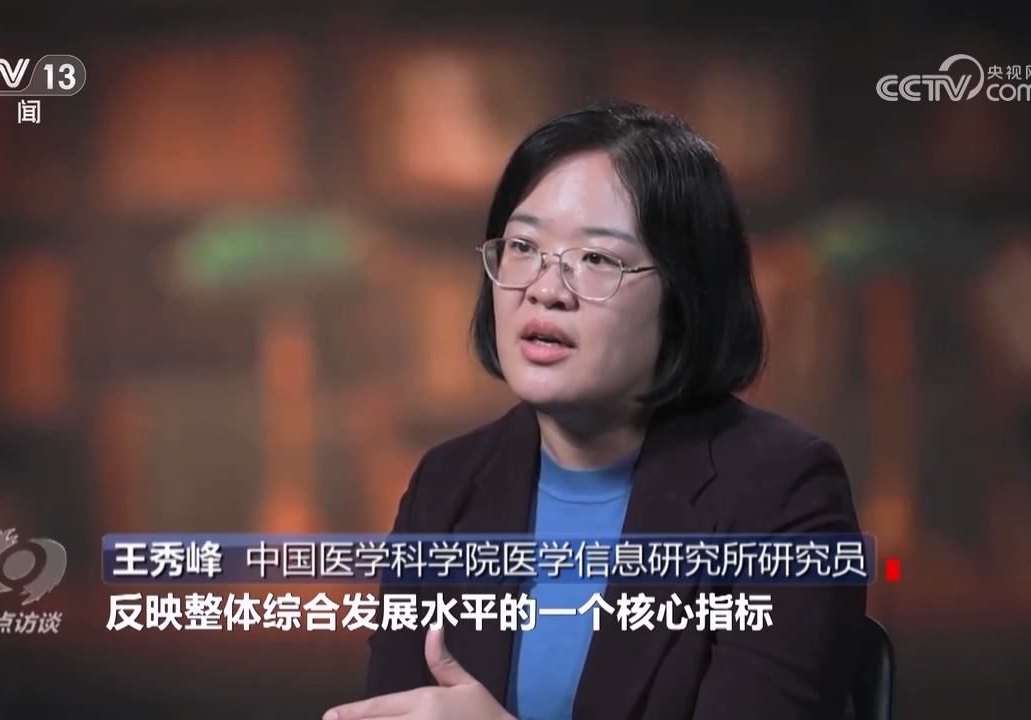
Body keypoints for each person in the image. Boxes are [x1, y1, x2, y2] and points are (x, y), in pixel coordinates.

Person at [323, 100, 866, 720]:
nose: (545, 289)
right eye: (522, 246)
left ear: (686, 294)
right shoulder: (447, 485)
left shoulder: (784, 493)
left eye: (597, 259)